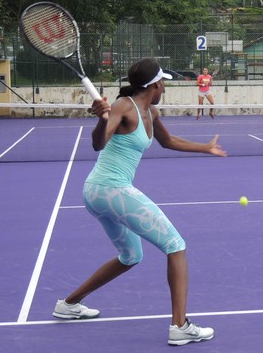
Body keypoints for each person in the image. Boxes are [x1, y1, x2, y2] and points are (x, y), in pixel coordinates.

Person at [51, 57, 226, 346]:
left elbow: (168, 142)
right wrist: (101, 119)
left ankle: (68, 304)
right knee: (176, 245)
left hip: (96, 193)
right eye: (163, 83)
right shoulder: (122, 106)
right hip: (111, 189)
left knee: (131, 256)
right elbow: (99, 144)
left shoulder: (151, 112)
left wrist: (205, 148)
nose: (165, 87)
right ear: (154, 84)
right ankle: (180, 326)